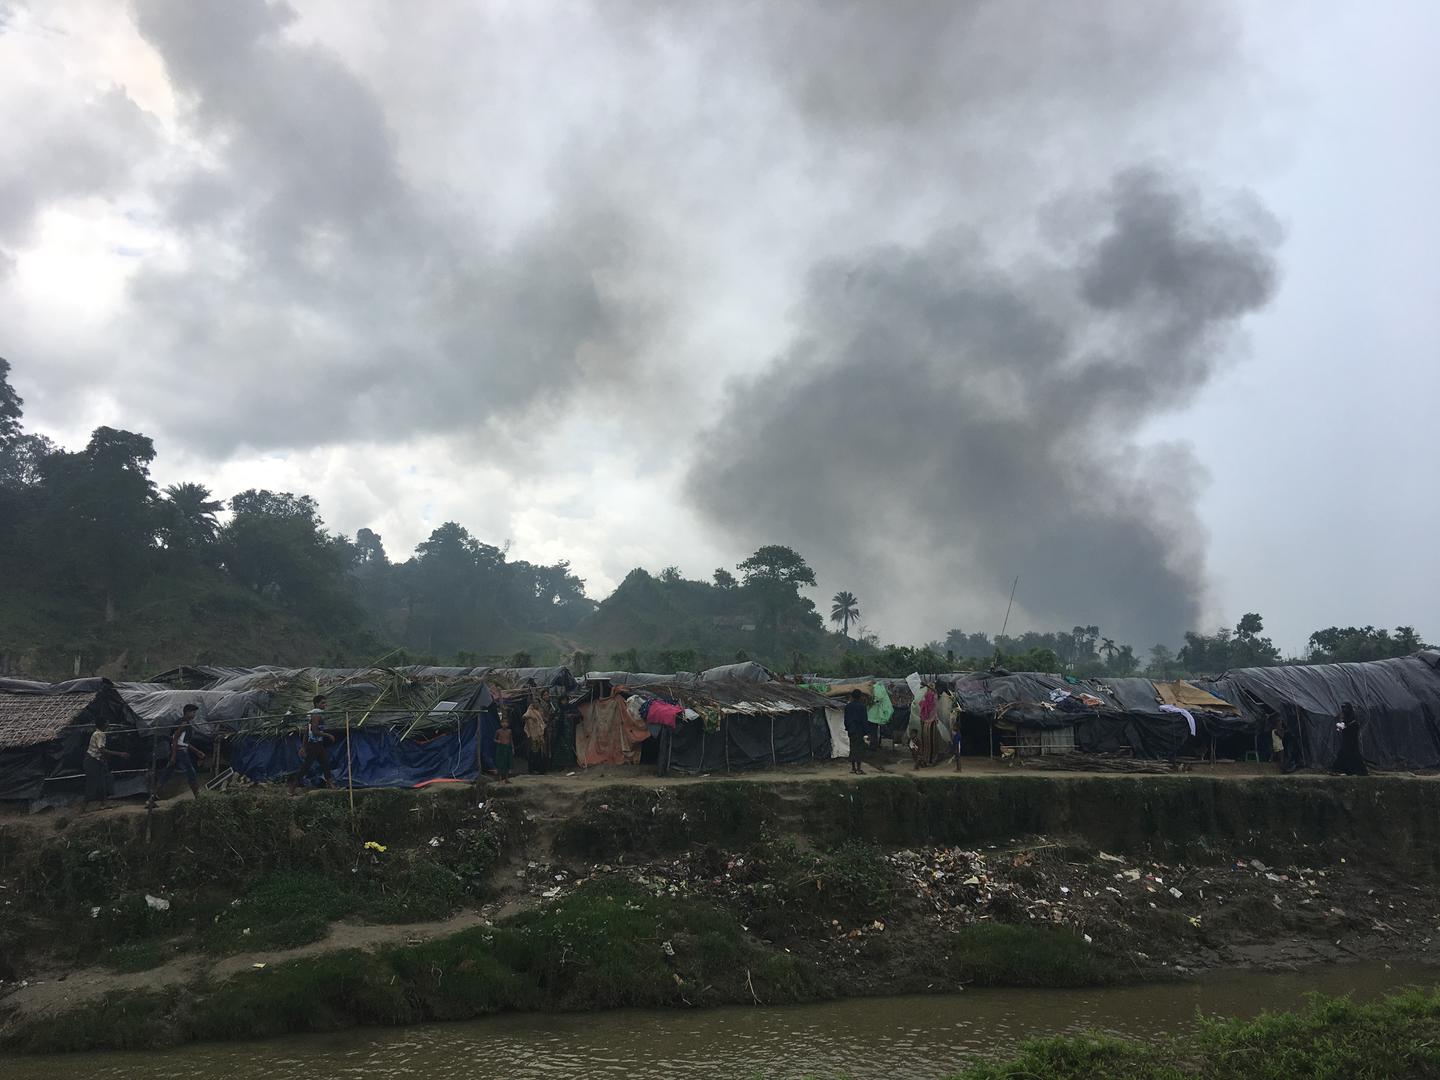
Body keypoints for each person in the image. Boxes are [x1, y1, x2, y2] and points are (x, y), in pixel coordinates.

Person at [148, 704, 206, 806]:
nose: (194, 715)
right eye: (193, 712)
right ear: (187, 712)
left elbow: (183, 741)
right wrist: (173, 756)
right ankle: (198, 797)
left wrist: (197, 751)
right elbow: (175, 740)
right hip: (180, 752)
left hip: (179, 750)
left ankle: (152, 798)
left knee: (166, 774)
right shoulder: (183, 724)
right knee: (191, 773)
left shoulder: (185, 723)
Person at [288, 695, 336, 795]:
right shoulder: (316, 714)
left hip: (317, 744)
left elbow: (307, 731)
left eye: (325, 702)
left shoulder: (313, 714)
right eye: (322, 703)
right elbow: (314, 732)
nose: (325, 705)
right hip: (314, 745)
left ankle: (331, 784)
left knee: (325, 764)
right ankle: (292, 788)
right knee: (306, 767)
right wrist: (328, 735)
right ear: (317, 704)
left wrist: (303, 746)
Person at [82, 717, 127, 812]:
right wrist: (119, 754)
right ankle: (84, 806)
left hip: (94, 760)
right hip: (92, 761)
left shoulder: (97, 733)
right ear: (103, 725)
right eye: (107, 722)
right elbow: (101, 749)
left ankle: (103, 803)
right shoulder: (100, 734)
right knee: (93, 783)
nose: (108, 724)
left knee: (102, 781)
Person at [1330, 703, 1368, 776]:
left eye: (1345, 708)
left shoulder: (1353, 722)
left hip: (1352, 742)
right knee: (1343, 754)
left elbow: (1353, 730)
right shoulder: (1345, 719)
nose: (1343, 710)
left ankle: (1357, 771)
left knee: (1354, 755)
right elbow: (1341, 728)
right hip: (1346, 742)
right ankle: (1340, 770)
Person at [523, 691, 551, 775]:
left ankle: (541, 770)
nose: (536, 704)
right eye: (534, 702)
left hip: (541, 733)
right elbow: (524, 716)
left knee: (542, 752)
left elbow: (543, 721)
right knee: (534, 752)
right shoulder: (530, 710)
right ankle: (532, 769)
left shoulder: (540, 711)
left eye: (537, 702)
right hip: (533, 734)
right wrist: (531, 717)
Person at [844, 689, 869, 776]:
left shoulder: (848, 706)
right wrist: (866, 732)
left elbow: (846, 719)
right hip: (860, 730)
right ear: (860, 697)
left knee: (852, 748)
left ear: (852, 696)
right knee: (859, 749)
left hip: (851, 730)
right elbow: (864, 720)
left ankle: (853, 768)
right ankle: (859, 769)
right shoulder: (862, 707)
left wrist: (847, 728)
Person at [494, 714, 515, 783]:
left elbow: (511, 740)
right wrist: (498, 741)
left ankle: (506, 778)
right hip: (500, 748)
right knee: (500, 763)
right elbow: (494, 739)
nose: (504, 724)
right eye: (503, 722)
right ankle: (500, 778)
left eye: (506, 722)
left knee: (507, 763)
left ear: (508, 724)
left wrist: (512, 748)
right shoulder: (498, 731)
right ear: (500, 723)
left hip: (507, 748)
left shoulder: (509, 731)